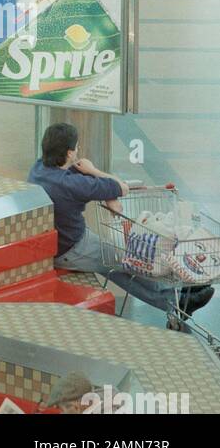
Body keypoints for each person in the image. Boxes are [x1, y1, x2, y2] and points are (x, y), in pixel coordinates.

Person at [28, 123, 212, 328]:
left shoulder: (39, 169)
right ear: (70, 153)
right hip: (72, 248)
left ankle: (177, 295)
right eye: (77, 148)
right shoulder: (73, 184)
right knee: (128, 262)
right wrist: (93, 170)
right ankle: (174, 302)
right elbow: (120, 187)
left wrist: (106, 194)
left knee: (120, 261)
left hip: (60, 242)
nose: (78, 152)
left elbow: (90, 183)